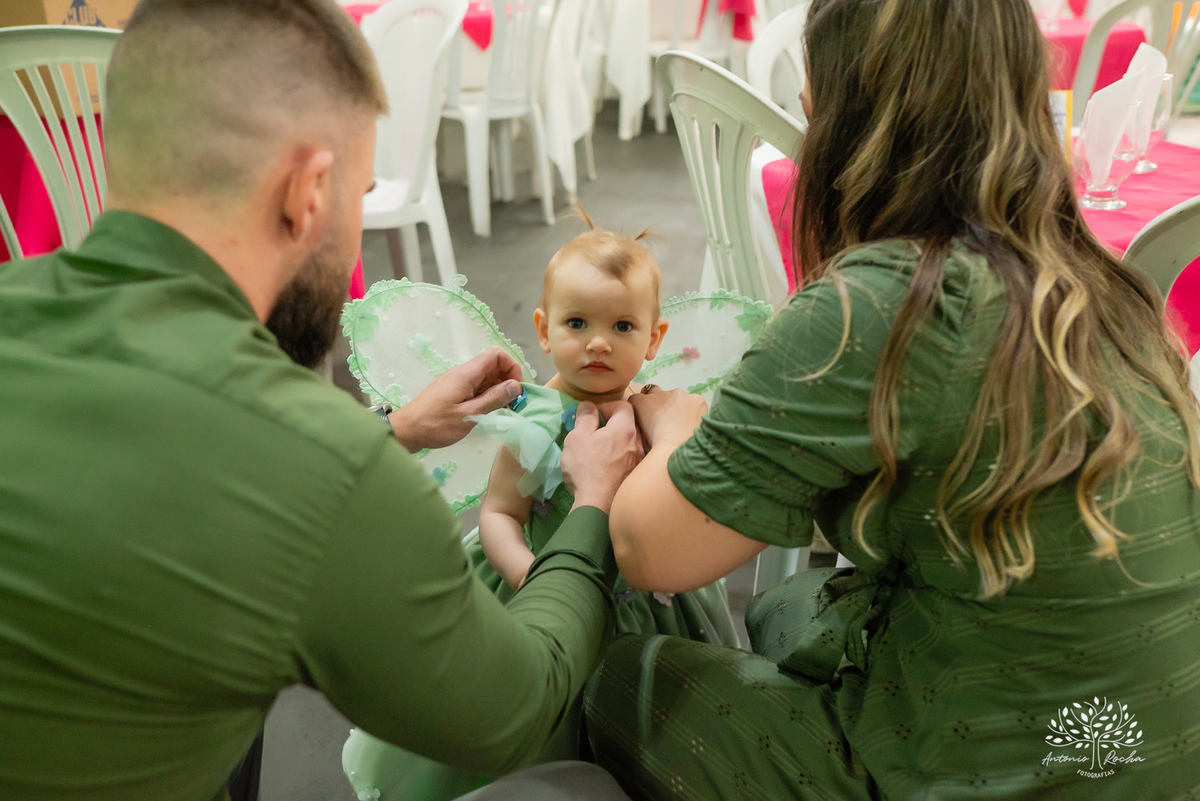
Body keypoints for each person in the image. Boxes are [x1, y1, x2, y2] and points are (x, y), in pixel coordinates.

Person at [0, 2, 643, 800]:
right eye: (359, 193)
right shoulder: (317, 460)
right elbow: (515, 706)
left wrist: (397, 430)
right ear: (308, 192)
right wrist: (593, 502)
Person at [583, 0, 1200, 798]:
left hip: (1016, 768)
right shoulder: (1107, 284)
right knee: (789, 608)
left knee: (626, 671)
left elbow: (649, 549)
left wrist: (674, 424)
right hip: (1152, 750)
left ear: (840, 119)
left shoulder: (881, 303)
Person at [341, 224, 738, 801]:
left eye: (621, 327)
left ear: (655, 339)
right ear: (543, 330)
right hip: (535, 584)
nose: (598, 343)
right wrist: (533, 575)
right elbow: (498, 515)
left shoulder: (659, 417)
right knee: (544, 716)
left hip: (641, 599)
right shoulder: (536, 419)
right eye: (577, 323)